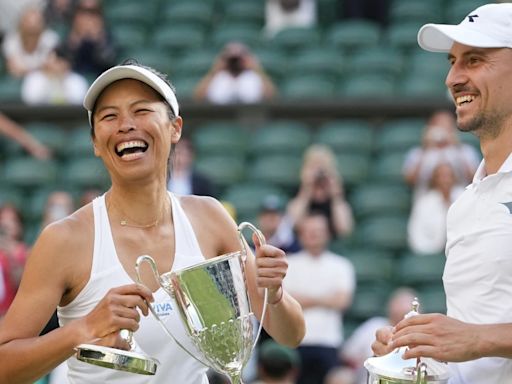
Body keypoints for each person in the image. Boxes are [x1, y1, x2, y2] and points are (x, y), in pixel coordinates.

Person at [0, 59, 305, 383]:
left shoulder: (210, 218)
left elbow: (291, 334)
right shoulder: (65, 238)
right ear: (94, 143)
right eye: (109, 116)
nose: (126, 124)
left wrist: (275, 294)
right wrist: (82, 330)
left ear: (175, 128)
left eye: (141, 110)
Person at [371, 4, 512, 384]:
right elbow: (477, 353)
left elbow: (477, 340)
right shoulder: (465, 204)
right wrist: (417, 350)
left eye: (475, 59)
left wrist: (477, 339)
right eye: (452, 62)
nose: (452, 78)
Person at [284, 213, 355, 384]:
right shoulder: (289, 264)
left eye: (318, 231)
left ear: (327, 234)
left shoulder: (341, 265)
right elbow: (285, 301)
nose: (314, 235)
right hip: (297, 342)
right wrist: (325, 299)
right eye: (309, 231)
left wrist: (304, 299)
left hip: (329, 342)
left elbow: (342, 301)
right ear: (301, 234)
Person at [341, 287, 417, 384]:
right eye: (398, 304)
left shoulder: (422, 334)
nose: (401, 311)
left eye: (406, 308)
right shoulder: (374, 325)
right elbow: (347, 353)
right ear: (390, 307)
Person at [402, 109, 480, 201]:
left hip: (459, 199)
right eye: (438, 125)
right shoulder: (418, 152)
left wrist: (457, 146)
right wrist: (426, 148)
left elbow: (475, 179)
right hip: (426, 202)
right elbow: (410, 180)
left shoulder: (466, 151)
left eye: (447, 125)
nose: (442, 129)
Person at [286, 144, 354, 239]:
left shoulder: (338, 196)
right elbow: (293, 225)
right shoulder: (297, 192)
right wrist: (306, 189)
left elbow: (344, 229)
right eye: (313, 167)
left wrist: (336, 195)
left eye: (323, 167)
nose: (319, 173)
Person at [407, 162, 464, 255]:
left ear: (454, 178)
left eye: (449, 175)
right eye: (442, 176)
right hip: (432, 252)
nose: (446, 180)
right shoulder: (424, 202)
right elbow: (415, 233)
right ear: (435, 179)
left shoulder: (464, 197)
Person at [194, 41, 277, 104]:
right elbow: (197, 97)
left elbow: (272, 97)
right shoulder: (218, 77)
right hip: (219, 120)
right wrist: (215, 69)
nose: (235, 61)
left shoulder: (252, 77)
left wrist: (256, 68)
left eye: (239, 58)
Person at [61, 0, 117, 77]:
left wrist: (99, 41)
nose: (88, 17)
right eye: (83, 11)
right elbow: (63, 63)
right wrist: (75, 40)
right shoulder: (66, 33)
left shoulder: (108, 36)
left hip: (100, 79)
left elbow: (109, 63)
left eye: (93, 12)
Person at [2, 4, 60, 78]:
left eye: (36, 25)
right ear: (21, 25)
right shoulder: (11, 40)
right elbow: (14, 69)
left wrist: (26, 70)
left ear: (42, 25)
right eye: (29, 24)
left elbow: (52, 66)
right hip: (17, 81)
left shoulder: (51, 39)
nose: (32, 29)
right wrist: (41, 68)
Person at [21, 45, 89, 105]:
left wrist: (62, 81)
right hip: (41, 116)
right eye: (54, 61)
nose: (55, 66)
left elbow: (79, 102)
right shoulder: (34, 78)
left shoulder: (77, 80)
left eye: (59, 62)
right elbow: (30, 100)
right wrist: (48, 80)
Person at [0, 203, 30, 317]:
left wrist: (10, 256)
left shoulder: (26, 252)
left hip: (12, 315)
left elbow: (23, 284)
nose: (5, 224)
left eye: (12, 220)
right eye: (2, 219)